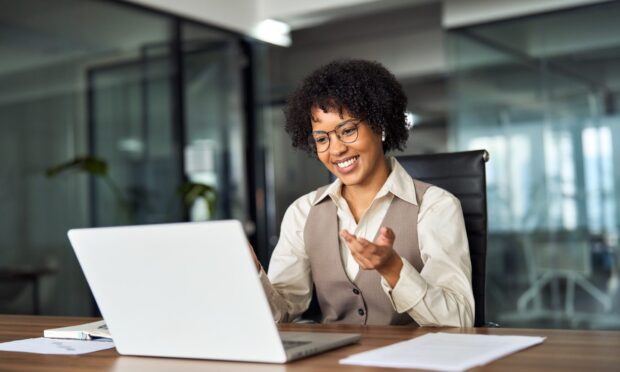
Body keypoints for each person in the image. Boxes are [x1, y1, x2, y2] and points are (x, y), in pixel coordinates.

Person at [253, 59, 474, 327]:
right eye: (322, 139)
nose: (336, 150)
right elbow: (282, 315)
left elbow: (460, 321)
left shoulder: (435, 206)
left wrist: (393, 268)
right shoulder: (302, 212)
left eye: (347, 131)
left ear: (379, 126)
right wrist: (252, 273)